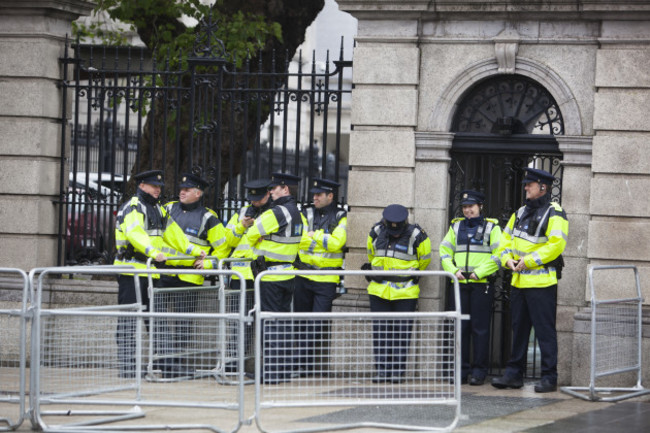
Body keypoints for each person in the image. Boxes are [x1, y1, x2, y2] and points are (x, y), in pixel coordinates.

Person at [113, 169, 205, 378]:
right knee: (128, 322)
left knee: (158, 321)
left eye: (159, 187)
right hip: (131, 271)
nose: (157, 190)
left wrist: (193, 251)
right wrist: (154, 252)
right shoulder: (134, 207)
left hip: (149, 272)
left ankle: (170, 367)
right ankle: (128, 368)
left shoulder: (158, 209)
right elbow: (134, 233)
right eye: (154, 186)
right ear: (142, 185)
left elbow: (174, 234)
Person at [491, 167, 568, 393]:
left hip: (542, 284)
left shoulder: (555, 213)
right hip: (518, 283)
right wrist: (507, 260)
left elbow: (556, 245)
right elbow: (503, 242)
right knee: (519, 331)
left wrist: (530, 261)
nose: (525, 187)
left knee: (544, 332)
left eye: (529, 184)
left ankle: (549, 377)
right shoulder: (520, 212)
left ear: (542, 187)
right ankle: (513, 375)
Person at [155, 172, 231, 377]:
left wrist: (208, 264)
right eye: (181, 189)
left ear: (198, 193)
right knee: (157, 320)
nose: (182, 193)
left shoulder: (209, 218)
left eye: (187, 190)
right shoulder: (168, 208)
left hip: (188, 276)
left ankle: (177, 364)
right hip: (163, 272)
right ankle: (165, 364)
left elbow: (223, 247)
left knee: (183, 325)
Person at [244, 172, 305, 384]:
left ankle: (270, 372)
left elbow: (251, 234)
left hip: (270, 276)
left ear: (285, 189)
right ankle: (282, 371)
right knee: (282, 325)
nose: (270, 192)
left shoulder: (277, 211)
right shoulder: (297, 212)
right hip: (287, 274)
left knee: (269, 325)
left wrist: (257, 234)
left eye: (273, 189)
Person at [439, 189, 501, 386]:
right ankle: (460, 371)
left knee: (480, 330)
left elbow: (499, 255)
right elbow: (444, 251)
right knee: (460, 328)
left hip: (481, 285)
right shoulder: (455, 228)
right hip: (459, 284)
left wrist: (479, 273)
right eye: (465, 207)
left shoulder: (493, 228)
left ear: (480, 207)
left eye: (471, 207)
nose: (467, 211)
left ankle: (479, 372)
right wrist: (453, 271)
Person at [365, 204, 431, 383]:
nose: (395, 234)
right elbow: (371, 255)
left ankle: (397, 372)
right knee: (380, 332)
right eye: (391, 231)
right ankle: (382, 371)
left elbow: (425, 259)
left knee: (401, 334)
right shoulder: (377, 231)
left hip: (405, 292)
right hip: (379, 291)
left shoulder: (417, 235)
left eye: (398, 231)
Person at [293, 178, 347, 376]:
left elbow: (336, 244)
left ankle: (295, 363)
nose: (314, 197)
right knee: (300, 322)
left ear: (330, 196)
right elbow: (299, 240)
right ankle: (305, 368)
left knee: (316, 324)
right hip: (303, 274)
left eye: (319, 194)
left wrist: (313, 235)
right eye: (313, 194)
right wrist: (323, 237)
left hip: (326, 279)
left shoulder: (342, 216)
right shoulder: (305, 212)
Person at [223, 178, 273, 372]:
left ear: (268, 194)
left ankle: (260, 364)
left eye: (258, 199)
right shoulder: (242, 212)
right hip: (240, 276)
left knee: (262, 323)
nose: (254, 202)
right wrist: (241, 226)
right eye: (252, 199)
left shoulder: (273, 214)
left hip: (262, 275)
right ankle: (234, 363)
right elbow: (228, 240)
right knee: (238, 322)